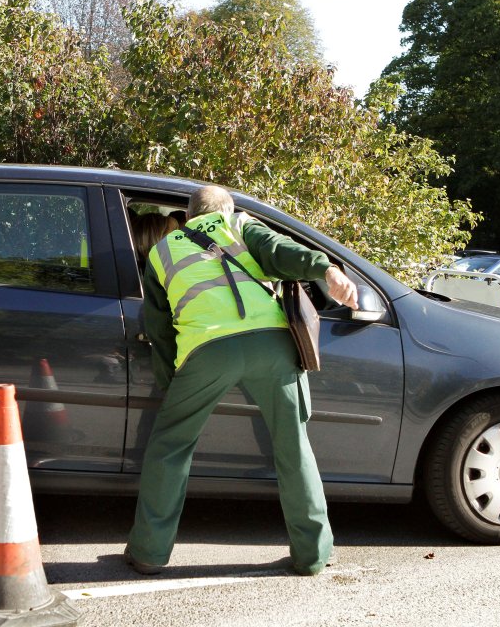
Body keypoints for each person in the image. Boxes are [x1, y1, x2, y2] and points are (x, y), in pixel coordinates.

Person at [124, 185, 358, 577]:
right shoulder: (240, 224)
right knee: (293, 448)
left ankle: (149, 552)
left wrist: (170, 383)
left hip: (206, 351)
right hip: (272, 347)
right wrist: (326, 269)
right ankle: (312, 554)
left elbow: (159, 328)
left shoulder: (161, 252)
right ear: (227, 208)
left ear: (187, 214)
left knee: (170, 448)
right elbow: (282, 251)